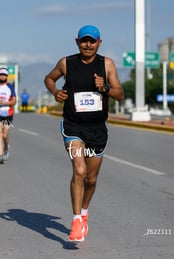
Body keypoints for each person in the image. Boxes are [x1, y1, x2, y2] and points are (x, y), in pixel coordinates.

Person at [44, 25, 124, 242]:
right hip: (73, 126)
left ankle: (85, 210)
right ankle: (76, 220)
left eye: (92, 41)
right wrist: (55, 92)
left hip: (97, 129)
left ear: (99, 43)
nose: (88, 45)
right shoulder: (66, 63)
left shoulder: (106, 65)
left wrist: (105, 87)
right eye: (84, 41)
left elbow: (120, 94)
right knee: (79, 170)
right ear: (77, 41)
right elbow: (49, 79)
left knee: (91, 177)